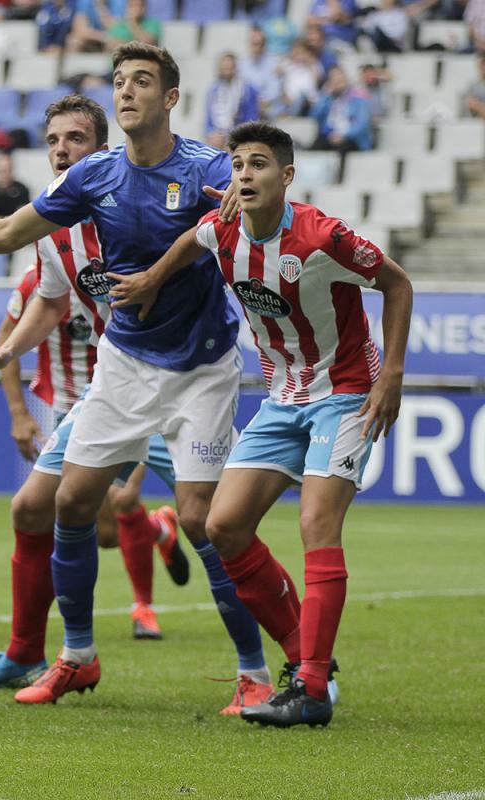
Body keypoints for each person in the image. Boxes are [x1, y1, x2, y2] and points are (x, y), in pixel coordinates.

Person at [0, 43, 276, 712]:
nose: (127, 91)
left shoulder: (206, 168)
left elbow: (257, 212)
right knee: (67, 504)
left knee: (202, 519)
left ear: (169, 98)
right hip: (125, 364)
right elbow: (6, 233)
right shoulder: (93, 178)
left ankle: (254, 672)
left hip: (201, 369)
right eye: (119, 81)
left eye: (141, 82)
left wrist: (245, 209)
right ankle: (75, 656)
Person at [109, 121, 412, 727]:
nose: (245, 175)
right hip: (283, 396)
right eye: (239, 165)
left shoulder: (322, 236)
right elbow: (191, 241)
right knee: (222, 526)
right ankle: (305, 660)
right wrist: (151, 279)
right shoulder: (222, 227)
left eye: (259, 165)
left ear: (287, 177)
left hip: (346, 392)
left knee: (316, 523)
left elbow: (397, 284)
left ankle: (312, 691)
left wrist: (392, 375)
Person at [0, 95, 189, 693]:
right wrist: (8, 372)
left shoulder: (133, 212)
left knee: (216, 522)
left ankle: (293, 663)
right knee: (48, 512)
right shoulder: (50, 236)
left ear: (102, 148)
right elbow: (42, 303)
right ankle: (26, 652)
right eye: (54, 140)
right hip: (95, 399)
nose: (62, 150)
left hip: (170, 388)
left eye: (76, 139)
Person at [203, 53, 259, 149]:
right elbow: (209, 120)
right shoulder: (213, 90)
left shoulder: (247, 90)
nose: (227, 71)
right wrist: (212, 134)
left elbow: (252, 118)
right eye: (225, 67)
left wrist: (235, 136)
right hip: (218, 136)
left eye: (230, 67)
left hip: (239, 135)